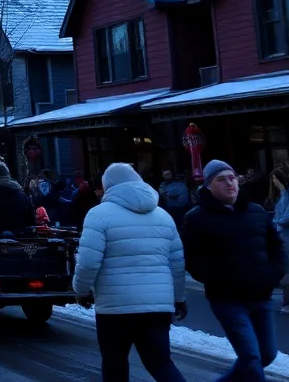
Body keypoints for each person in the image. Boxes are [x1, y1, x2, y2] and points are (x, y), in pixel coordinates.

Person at [73, 163, 187, 382]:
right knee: (161, 363)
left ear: (108, 187)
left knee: (115, 363)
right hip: (157, 307)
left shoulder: (98, 215)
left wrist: (81, 290)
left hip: (115, 307)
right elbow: (177, 264)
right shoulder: (163, 216)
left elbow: (88, 262)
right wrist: (178, 298)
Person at [181, 159, 286, 381]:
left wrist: (272, 274)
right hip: (227, 299)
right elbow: (191, 259)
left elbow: (276, 246)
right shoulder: (196, 218)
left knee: (266, 354)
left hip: (261, 294)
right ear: (208, 185)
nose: (230, 183)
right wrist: (219, 279)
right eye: (222, 179)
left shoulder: (256, 211)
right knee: (250, 356)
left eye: (232, 178)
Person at [270, 167, 289, 315]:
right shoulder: (280, 196)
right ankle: (285, 301)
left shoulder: (286, 195)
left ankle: (286, 302)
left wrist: (277, 223)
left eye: (274, 179)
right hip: (281, 234)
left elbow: (286, 217)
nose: (273, 182)